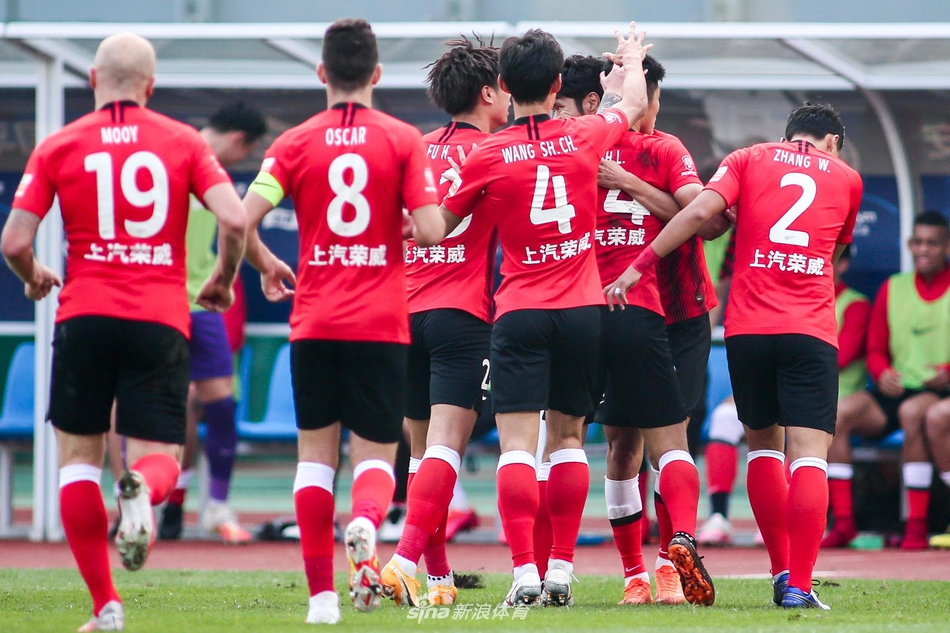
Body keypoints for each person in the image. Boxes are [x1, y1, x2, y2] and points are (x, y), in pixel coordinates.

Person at [0, 32, 246, 632]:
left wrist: (34, 277)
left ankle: (105, 606)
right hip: (159, 318)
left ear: (92, 80)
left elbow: (14, 242)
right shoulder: (183, 141)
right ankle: (141, 488)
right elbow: (235, 218)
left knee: (78, 463)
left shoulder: (59, 144)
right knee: (161, 456)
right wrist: (221, 279)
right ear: (150, 87)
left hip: (84, 317)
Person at [607, 102, 863, 610]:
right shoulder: (847, 178)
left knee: (763, 449)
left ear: (787, 137)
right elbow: (833, 253)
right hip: (810, 328)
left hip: (748, 328)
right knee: (809, 456)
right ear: (832, 142)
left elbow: (698, 213)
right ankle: (799, 587)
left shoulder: (749, 158)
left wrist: (639, 265)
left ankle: (780, 569)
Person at [240, 19, 447, 625]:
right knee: (376, 457)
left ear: (322, 73)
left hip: (314, 320)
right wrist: (404, 224)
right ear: (376, 74)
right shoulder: (402, 139)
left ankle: (322, 601)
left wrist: (264, 263)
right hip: (380, 323)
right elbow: (433, 230)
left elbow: (239, 219)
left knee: (314, 459)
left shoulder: (294, 142)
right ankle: (365, 523)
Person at [440, 23, 651, 607]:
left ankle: (524, 575)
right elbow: (632, 104)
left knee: (516, 446)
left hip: (520, 312)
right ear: (559, 83)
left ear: (504, 86)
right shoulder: (584, 133)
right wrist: (631, 59)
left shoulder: (486, 152)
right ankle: (560, 571)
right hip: (582, 310)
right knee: (567, 442)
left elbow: (439, 225)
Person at [554, 54, 716, 606]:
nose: (649, 105)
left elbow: (705, 220)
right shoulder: (584, 143)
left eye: (652, 94)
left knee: (664, 438)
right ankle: (636, 575)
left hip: (678, 314)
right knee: (626, 443)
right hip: (623, 311)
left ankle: (667, 568)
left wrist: (628, 182)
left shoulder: (664, 149)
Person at [380, 37, 509, 607]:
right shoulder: (500, 152)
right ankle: (403, 561)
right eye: (504, 88)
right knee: (445, 448)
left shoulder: (415, 148)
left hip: (403, 313)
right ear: (488, 93)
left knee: (421, 451)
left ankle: (437, 579)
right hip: (462, 314)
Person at [144, 102, 265, 544]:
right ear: (239, 140)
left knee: (220, 404)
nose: (243, 161)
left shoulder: (213, 172)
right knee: (162, 406)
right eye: (246, 153)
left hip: (203, 304)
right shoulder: (168, 153)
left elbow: (237, 227)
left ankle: (215, 507)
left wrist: (236, 273)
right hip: (157, 303)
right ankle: (157, 505)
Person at [823, 212, 950, 549]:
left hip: (937, 391)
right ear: (909, 245)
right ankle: (844, 523)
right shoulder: (893, 287)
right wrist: (881, 373)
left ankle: (915, 527)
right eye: (918, 242)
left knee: (913, 412)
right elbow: (876, 349)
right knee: (836, 415)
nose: (924, 249)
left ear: (946, 247)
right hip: (895, 389)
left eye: (932, 243)